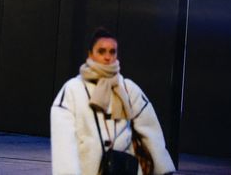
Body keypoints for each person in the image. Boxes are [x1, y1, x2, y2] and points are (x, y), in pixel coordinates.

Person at [51, 27, 176, 175]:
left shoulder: (128, 88)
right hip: (87, 169)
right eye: (101, 51)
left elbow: (150, 130)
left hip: (123, 168)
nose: (107, 57)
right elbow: (64, 139)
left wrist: (164, 169)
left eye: (112, 52)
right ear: (90, 54)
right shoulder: (73, 89)